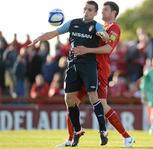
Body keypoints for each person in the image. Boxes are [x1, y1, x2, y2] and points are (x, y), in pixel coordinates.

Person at [29, 0, 109, 147]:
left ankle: (103, 129)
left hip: (89, 65)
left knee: (93, 96)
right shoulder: (73, 23)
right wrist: (40, 38)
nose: (87, 11)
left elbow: (105, 36)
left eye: (90, 10)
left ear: (95, 13)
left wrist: (103, 35)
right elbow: (54, 33)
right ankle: (78, 131)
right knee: (69, 99)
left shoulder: (96, 25)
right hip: (72, 65)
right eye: (85, 9)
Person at [59, 1, 135, 148]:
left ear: (113, 13)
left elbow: (107, 49)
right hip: (86, 68)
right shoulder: (100, 27)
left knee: (102, 105)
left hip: (99, 70)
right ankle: (70, 138)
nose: (102, 12)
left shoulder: (114, 28)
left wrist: (86, 50)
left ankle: (127, 137)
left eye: (105, 10)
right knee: (71, 100)